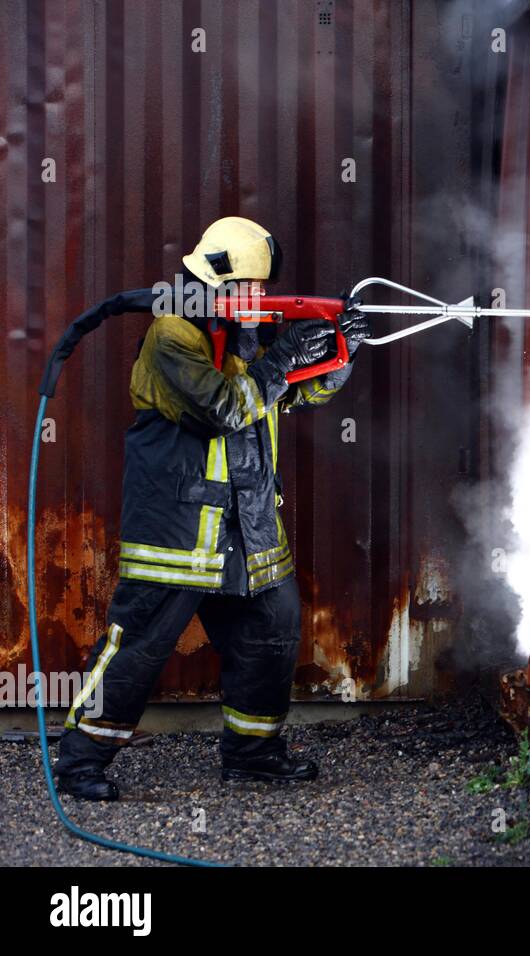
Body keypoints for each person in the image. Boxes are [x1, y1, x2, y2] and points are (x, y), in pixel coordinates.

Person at [54, 217, 370, 801]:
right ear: (216, 280)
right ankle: (79, 759)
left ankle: (253, 755)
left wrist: (339, 352)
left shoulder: (244, 332)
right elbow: (225, 408)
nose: (258, 298)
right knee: (141, 642)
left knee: (271, 631)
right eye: (249, 287)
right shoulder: (172, 335)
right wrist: (282, 362)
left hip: (249, 527)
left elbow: (295, 395)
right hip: (177, 530)